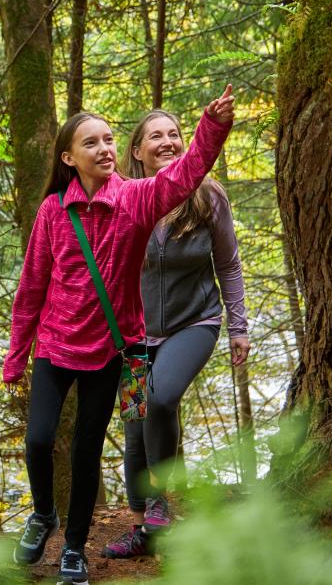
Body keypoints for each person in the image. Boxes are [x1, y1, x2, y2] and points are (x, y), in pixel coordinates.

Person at [4, 86, 235, 585]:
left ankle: (94, 538)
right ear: (69, 157)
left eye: (109, 139)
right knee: (76, 434)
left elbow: (189, 174)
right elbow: (31, 286)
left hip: (125, 344)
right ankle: (83, 517)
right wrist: (16, 355)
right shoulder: (55, 211)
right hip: (89, 344)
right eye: (92, 143)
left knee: (120, 426)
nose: (105, 149)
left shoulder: (139, 200)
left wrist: (210, 128)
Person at [101, 108, 251, 560]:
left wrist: (238, 327)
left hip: (194, 322)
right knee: (134, 425)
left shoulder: (208, 196)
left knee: (161, 397)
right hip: (133, 336)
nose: (167, 142)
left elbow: (227, 262)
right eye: (155, 136)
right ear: (136, 151)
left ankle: (160, 507)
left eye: (174, 135)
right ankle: (146, 524)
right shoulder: (122, 199)